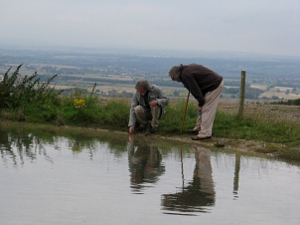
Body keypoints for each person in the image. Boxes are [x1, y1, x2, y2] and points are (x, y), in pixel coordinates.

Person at [168, 64, 223, 140]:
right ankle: (199, 128)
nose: (174, 80)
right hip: (209, 86)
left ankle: (205, 133)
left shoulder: (186, 75)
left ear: (176, 75)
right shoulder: (186, 71)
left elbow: (195, 89)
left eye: (173, 78)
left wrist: (200, 103)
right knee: (204, 108)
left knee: (207, 109)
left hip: (214, 86)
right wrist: (200, 102)